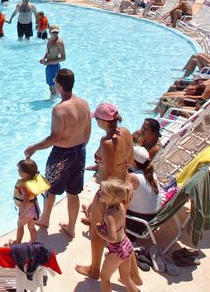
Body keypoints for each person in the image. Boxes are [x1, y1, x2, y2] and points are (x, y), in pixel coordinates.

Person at [24, 68, 91, 238]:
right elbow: (87, 130)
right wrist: (80, 147)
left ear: (59, 85)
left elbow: (54, 138)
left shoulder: (59, 110)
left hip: (62, 154)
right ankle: (71, 227)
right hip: (80, 151)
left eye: (55, 81)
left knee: (50, 188)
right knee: (73, 192)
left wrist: (34, 147)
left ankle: (45, 219)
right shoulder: (84, 103)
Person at [76, 103, 137, 283]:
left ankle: (95, 269)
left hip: (110, 194)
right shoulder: (125, 132)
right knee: (120, 232)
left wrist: (102, 202)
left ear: (103, 120)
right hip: (125, 188)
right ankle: (131, 274)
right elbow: (131, 159)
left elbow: (110, 177)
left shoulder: (107, 142)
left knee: (96, 230)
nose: (95, 121)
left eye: (96, 119)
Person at [95, 180, 138, 292]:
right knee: (126, 278)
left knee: (104, 278)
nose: (99, 192)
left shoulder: (109, 215)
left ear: (113, 198)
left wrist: (99, 230)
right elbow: (122, 226)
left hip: (117, 249)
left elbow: (112, 238)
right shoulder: (121, 206)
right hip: (126, 244)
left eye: (103, 192)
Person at [11, 159, 50, 245]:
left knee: (20, 226)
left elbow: (26, 201)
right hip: (35, 209)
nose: (18, 171)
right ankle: (34, 243)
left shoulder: (24, 186)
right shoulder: (33, 183)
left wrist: (22, 213)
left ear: (25, 173)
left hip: (27, 211)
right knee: (31, 228)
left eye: (19, 170)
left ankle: (17, 242)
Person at [126, 146, 160, 237]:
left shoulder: (133, 178)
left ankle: (96, 220)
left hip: (139, 224)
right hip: (152, 220)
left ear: (133, 161)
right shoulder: (151, 173)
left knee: (111, 200)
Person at [40, 26, 66, 98]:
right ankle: (55, 98)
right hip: (49, 66)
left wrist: (49, 62)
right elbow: (48, 52)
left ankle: (52, 100)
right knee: (50, 85)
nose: (55, 34)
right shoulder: (49, 40)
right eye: (53, 32)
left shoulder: (59, 43)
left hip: (54, 66)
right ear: (49, 32)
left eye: (56, 32)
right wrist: (44, 58)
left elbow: (63, 58)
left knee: (52, 85)